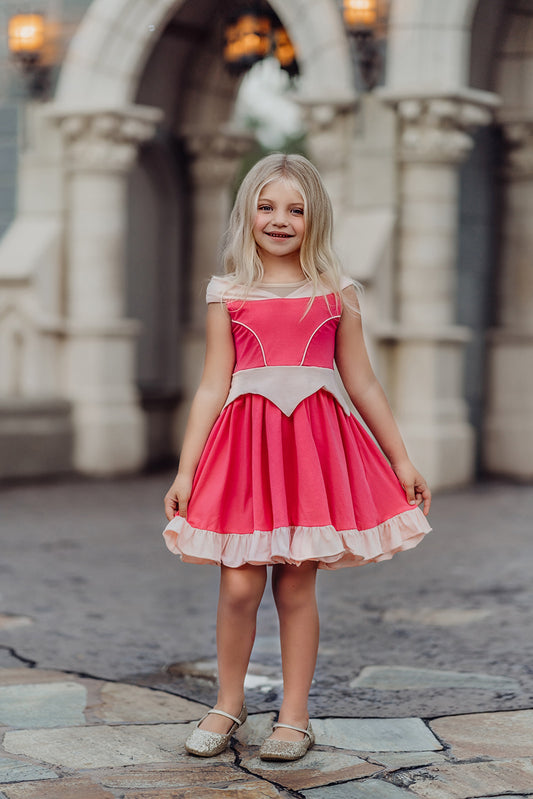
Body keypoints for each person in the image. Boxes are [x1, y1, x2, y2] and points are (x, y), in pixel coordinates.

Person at [163, 153, 431, 762]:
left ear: (315, 219)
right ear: (247, 213)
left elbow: (362, 383)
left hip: (311, 451)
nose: (279, 219)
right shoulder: (227, 293)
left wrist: (402, 460)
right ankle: (228, 703)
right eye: (267, 206)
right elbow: (212, 384)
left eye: (295, 209)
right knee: (237, 586)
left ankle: (294, 713)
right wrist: (186, 469)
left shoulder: (337, 293)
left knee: (295, 585)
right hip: (245, 449)